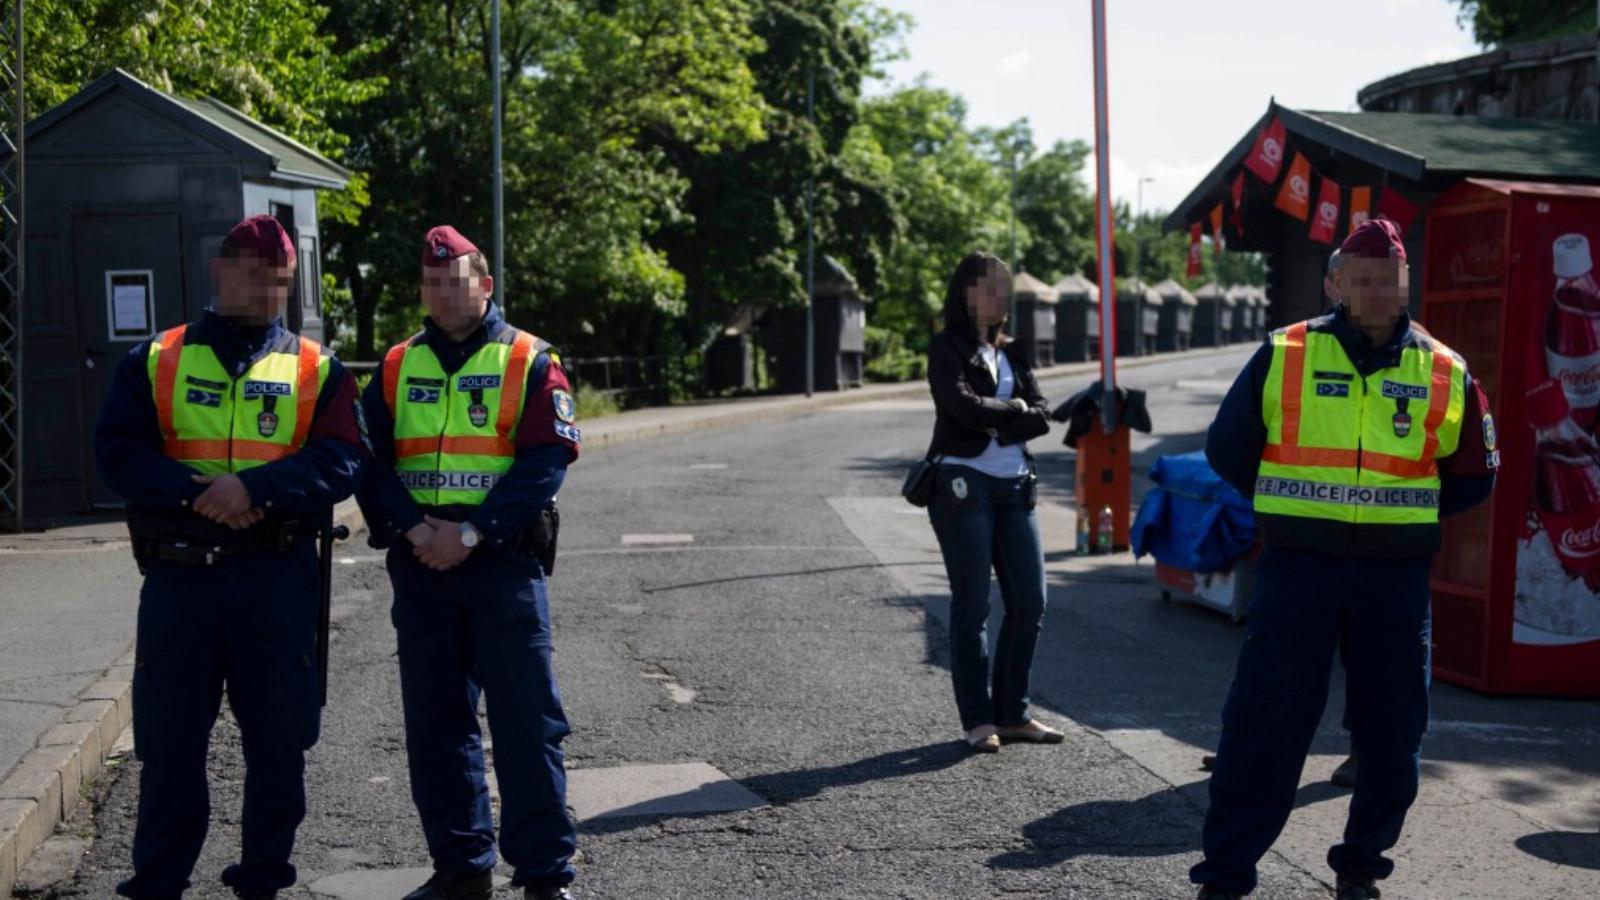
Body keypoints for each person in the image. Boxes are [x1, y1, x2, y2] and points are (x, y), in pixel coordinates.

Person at [1191, 218, 1499, 900]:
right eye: (1361, 279)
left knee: (1392, 739)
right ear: (1335, 284)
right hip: (1299, 569)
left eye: (1389, 280)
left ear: (1404, 285)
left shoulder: (1444, 368)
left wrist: (1401, 516)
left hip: (1395, 577)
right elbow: (1227, 448)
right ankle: (1227, 873)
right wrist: (1287, 508)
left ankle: (1360, 867)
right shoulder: (1286, 352)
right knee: (1265, 725)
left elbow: (1476, 472)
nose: (1377, 291)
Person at [95, 215, 368, 900]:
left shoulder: (318, 370)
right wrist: (201, 498)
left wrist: (255, 489)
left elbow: (345, 458)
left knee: (279, 746)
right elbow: (118, 453)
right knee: (168, 744)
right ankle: (158, 881)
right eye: (253, 272)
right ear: (220, 273)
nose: (269, 287)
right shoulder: (158, 359)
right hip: (181, 580)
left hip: (274, 577)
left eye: (280, 277)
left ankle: (263, 878)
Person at [356, 226, 580, 900]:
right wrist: (414, 529)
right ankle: (461, 867)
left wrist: (474, 533)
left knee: (527, 725)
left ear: (484, 284)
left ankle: (544, 876)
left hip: (502, 565)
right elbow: (367, 458)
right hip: (422, 565)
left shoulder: (530, 358)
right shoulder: (396, 364)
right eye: (432, 283)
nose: (443, 293)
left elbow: (547, 458)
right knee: (436, 724)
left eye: (455, 281)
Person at [924, 251, 1060, 754]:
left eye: (1003, 289)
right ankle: (979, 721)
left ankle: (1014, 713)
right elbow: (959, 406)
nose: (998, 297)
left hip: (1016, 487)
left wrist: (998, 415)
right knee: (973, 605)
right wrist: (1014, 411)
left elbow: (1044, 416)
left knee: (1031, 601)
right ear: (965, 294)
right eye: (988, 288)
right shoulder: (947, 348)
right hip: (964, 486)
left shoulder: (1016, 353)